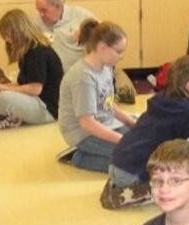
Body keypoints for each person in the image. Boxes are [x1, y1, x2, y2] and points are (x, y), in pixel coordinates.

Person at [101, 55, 189, 209]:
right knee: (188, 187)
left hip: (116, 163)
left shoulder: (160, 100)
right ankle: (137, 193)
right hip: (132, 174)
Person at [57, 20, 136, 172]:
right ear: (102, 47)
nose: (122, 56)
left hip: (106, 124)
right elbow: (87, 123)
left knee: (143, 142)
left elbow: (108, 104)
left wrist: (132, 123)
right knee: (132, 158)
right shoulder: (83, 77)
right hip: (84, 134)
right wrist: (122, 140)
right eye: (118, 51)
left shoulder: (106, 68)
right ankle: (80, 157)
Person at [0, 8, 64, 128]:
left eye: (8, 35)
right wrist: (2, 86)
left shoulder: (37, 51)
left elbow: (35, 89)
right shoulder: (29, 51)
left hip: (47, 108)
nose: (7, 40)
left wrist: (5, 88)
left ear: (18, 31)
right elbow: (23, 84)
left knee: (1, 98)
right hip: (38, 101)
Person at [35, 0, 96, 71]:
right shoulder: (38, 23)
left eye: (44, 10)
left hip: (80, 74)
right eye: (39, 11)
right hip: (54, 78)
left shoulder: (81, 16)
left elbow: (104, 41)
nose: (41, 15)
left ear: (57, 6)